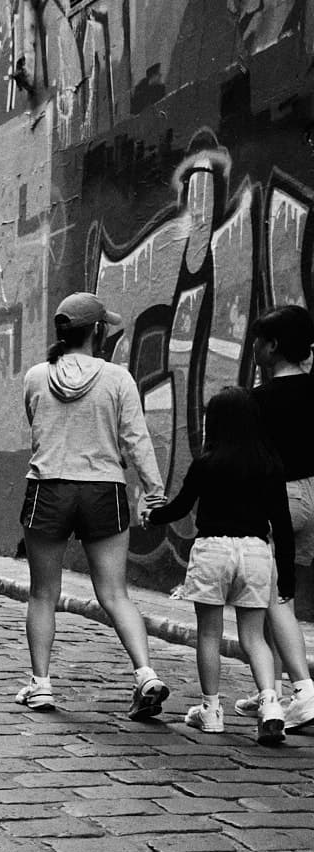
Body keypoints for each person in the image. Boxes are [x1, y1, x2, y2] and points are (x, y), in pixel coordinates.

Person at [16, 292, 170, 716]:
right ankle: (144, 673)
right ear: (98, 331)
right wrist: (154, 491)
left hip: (49, 487)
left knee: (44, 593)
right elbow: (136, 440)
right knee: (115, 593)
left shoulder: (35, 376)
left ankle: (42, 684)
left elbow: (36, 426)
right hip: (104, 490)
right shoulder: (118, 379)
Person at [144, 388, 295, 742]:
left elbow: (181, 507)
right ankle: (270, 703)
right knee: (254, 637)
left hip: (213, 550)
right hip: (256, 552)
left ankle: (211, 710)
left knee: (209, 634)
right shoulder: (270, 463)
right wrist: (286, 576)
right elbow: (283, 524)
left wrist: (154, 515)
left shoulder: (206, 462)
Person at [242, 305, 314, 727]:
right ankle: (266, 688)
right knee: (282, 592)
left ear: (270, 347)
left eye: (256, 340)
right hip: (312, 496)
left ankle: (303, 690)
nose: (252, 348)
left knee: (274, 598)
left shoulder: (257, 401)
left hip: (278, 499)